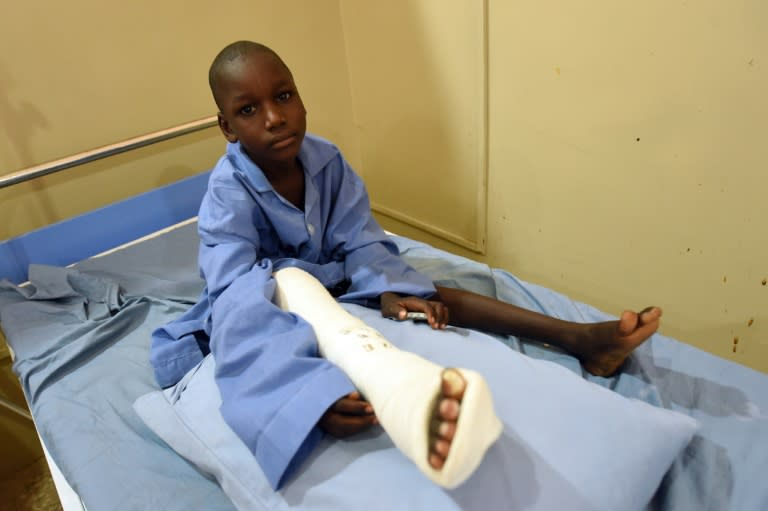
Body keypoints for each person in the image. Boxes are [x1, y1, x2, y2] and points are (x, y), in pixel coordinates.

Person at [150, 40, 662, 490]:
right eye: (248, 110)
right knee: (262, 331)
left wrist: (387, 287)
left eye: (283, 96)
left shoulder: (326, 161)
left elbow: (360, 236)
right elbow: (236, 295)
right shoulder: (226, 196)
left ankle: (578, 339)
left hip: (336, 277)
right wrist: (307, 396)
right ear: (227, 128)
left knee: (434, 297)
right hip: (270, 294)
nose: (274, 118)